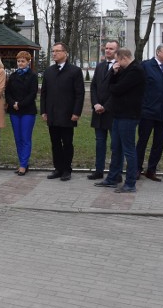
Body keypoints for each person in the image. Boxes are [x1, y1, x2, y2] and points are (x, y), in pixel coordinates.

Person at [95, 48, 146, 193]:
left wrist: (114, 79)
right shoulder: (125, 70)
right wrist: (114, 73)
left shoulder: (136, 71)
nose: (116, 63)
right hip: (118, 114)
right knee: (116, 147)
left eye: (117, 60)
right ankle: (112, 178)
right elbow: (113, 85)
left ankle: (130, 183)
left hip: (129, 116)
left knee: (129, 150)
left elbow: (116, 89)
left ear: (124, 58)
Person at [39, 42, 84, 181]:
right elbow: (44, 93)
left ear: (65, 53)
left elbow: (79, 94)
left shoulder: (75, 71)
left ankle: (66, 169)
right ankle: (58, 168)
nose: (54, 54)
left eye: (57, 51)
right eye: (53, 51)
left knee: (67, 143)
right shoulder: (49, 71)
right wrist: (43, 111)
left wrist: (76, 112)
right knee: (55, 143)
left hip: (67, 114)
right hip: (52, 114)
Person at [136, 43, 163, 181]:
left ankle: (151, 170)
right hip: (147, 111)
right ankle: (136, 169)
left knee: (159, 143)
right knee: (142, 142)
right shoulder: (146, 66)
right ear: (158, 52)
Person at [88, 40, 119, 181]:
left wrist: (105, 106)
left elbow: (117, 91)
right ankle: (98, 170)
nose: (108, 51)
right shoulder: (100, 66)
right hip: (98, 112)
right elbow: (93, 87)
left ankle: (115, 172)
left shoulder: (121, 67)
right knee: (99, 143)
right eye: (106, 48)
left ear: (117, 51)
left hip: (112, 112)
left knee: (115, 145)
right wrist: (95, 104)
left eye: (111, 49)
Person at [6, 50, 38, 176]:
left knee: (25, 138)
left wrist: (20, 104)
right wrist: (13, 103)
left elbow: (32, 93)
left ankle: (23, 165)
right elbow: (7, 92)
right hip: (14, 111)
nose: (20, 63)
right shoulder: (13, 76)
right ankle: (22, 162)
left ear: (28, 62)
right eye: (18, 61)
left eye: (23, 61)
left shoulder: (33, 76)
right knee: (18, 138)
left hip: (27, 111)